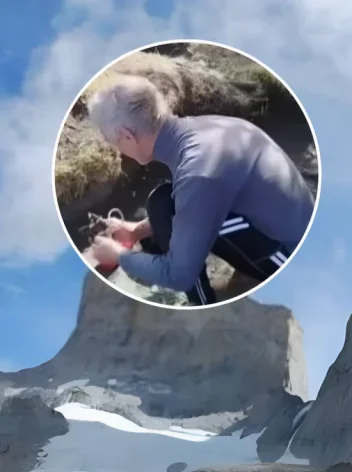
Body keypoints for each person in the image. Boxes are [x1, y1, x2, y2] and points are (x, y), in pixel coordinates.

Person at [84, 74, 314, 306]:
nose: (120, 152)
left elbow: (180, 275)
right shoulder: (199, 130)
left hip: (292, 259)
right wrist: (136, 231)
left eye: (114, 142)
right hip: (287, 228)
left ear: (126, 135)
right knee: (162, 203)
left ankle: (203, 306)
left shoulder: (199, 170)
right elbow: (192, 202)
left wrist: (119, 256)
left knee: (179, 254)